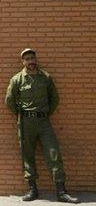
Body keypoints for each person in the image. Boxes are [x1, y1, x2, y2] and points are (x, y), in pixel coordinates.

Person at [5, 49, 80, 203]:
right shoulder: (17, 79)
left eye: (32, 58)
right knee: (28, 156)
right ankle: (32, 190)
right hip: (26, 123)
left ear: (35, 59)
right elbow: (9, 101)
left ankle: (61, 191)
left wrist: (45, 113)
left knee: (54, 154)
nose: (31, 61)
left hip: (44, 122)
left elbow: (55, 99)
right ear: (23, 62)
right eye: (27, 59)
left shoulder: (46, 78)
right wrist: (22, 115)